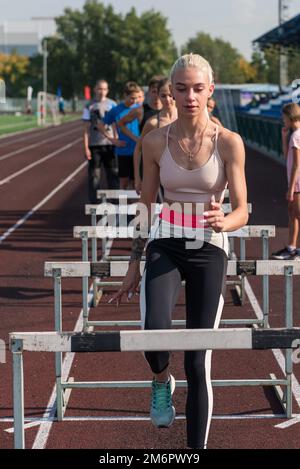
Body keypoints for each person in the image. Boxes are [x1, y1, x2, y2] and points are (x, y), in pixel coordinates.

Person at [110, 53, 248, 449]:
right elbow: (145, 205)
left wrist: (228, 221)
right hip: (166, 241)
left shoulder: (229, 143)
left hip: (208, 245)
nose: (190, 96)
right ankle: (160, 380)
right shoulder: (155, 141)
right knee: (154, 335)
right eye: (182, 88)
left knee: (197, 360)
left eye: (198, 88)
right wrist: (133, 263)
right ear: (171, 92)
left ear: (211, 91)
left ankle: (195, 452)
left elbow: (240, 208)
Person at [119, 77, 177, 194]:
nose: (167, 99)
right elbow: (138, 150)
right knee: (158, 210)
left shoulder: (187, 118)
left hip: (182, 176)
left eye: (171, 95)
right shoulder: (152, 123)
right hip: (158, 176)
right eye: (163, 96)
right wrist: (138, 178)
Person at [82, 79, 119, 202]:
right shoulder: (89, 106)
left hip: (109, 145)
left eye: (104, 89)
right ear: (95, 89)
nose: (101, 91)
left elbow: (115, 124)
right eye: (99, 88)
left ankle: (114, 200)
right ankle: (94, 201)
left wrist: (116, 139)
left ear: (107, 90)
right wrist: (86, 147)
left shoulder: (112, 104)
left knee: (112, 173)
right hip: (94, 145)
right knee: (94, 176)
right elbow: (86, 129)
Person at [272, 103, 300, 260]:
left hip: (297, 183)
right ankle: (291, 247)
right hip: (295, 182)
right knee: (292, 214)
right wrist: (284, 138)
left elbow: (297, 164)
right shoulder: (294, 135)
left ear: (290, 117)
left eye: (284, 117)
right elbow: (287, 156)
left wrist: (291, 188)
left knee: (297, 215)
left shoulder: (297, 136)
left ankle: (297, 250)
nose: (283, 120)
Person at [101, 81, 141, 190]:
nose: (135, 101)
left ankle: (136, 206)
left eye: (137, 98)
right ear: (125, 95)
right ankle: (123, 206)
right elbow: (100, 125)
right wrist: (113, 140)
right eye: (132, 98)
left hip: (139, 150)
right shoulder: (116, 110)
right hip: (123, 150)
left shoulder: (140, 108)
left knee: (136, 183)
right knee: (123, 182)